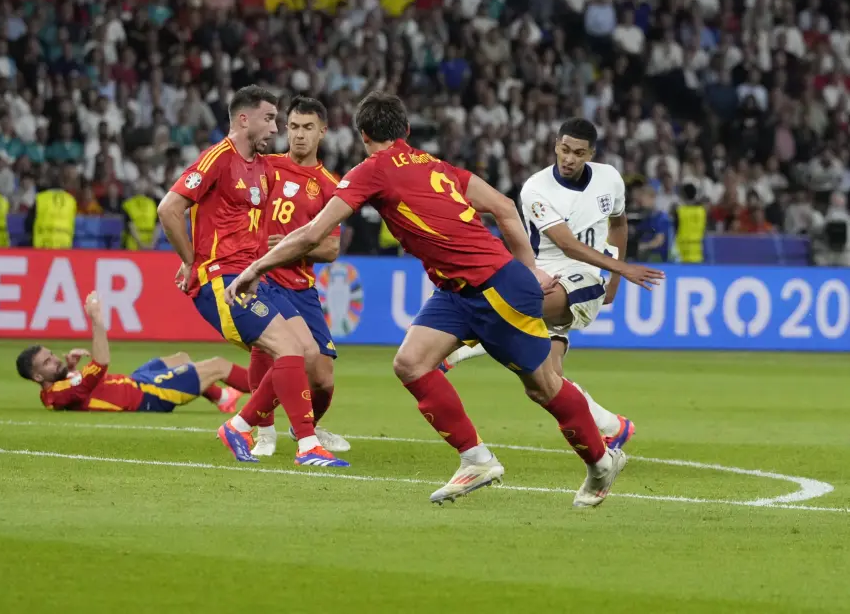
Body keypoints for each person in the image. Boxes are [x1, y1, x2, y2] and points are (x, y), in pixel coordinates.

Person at [226, 92, 664, 506]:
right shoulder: (437, 165)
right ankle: (476, 460)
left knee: (544, 387)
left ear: (363, 137)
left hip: (494, 286)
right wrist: (529, 267)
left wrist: (254, 268)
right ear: (407, 129)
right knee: (411, 362)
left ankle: (602, 462)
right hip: (456, 290)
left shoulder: (371, 170)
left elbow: (313, 233)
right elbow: (505, 208)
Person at [156, 85, 349, 468]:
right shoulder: (218, 158)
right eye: (272, 120)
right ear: (244, 119)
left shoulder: (262, 167)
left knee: (309, 354)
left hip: (254, 277)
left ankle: (243, 425)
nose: (279, 130)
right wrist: (191, 260)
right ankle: (301, 443)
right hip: (222, 279)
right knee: (288, 351)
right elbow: (168, 209)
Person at [441, 119, 648, 451]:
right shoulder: (535, 189)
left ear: (591, 154)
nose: (569, 159)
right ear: (555, 145)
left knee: (518, 309)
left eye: (579, 153)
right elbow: (565, 243)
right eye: (564, 150)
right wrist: (621, 267)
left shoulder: (609, 178)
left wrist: (615, 279)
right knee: (543, 383)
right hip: (542, 277)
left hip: (586, 277)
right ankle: (613, 425)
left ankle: (458, 350)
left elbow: (619, 223)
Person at [241, 96, 350, 457]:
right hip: (263, 279)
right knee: (266, 350)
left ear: (322, 131)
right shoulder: (263, 166)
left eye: (307, 128)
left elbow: (331, 250)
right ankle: (263, 431)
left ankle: (304, 426)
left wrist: (292, 246)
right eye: (293, 127)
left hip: (301, 286)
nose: (299, 135)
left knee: (322, 376)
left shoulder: (330, 185)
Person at [17, 291, 249, 413]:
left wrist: (69, 369)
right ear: (37, 377)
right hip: (149, 395)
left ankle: (223, 399)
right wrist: (97, 320)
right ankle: (270, 387)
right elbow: (101, 364)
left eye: (51, 354)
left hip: (135, 381)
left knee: (182, 358)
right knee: (218, 365)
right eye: (47, 362)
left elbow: (78, 388)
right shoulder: (58, 395)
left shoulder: (60, 387)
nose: (54, 359)